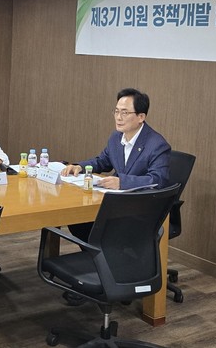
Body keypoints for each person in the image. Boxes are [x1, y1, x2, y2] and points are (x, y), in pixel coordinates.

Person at [61, 88, 171, 242]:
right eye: (116, 111)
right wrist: (79, 166)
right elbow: (103, 161)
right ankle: (101, 254)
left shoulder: (156, 144)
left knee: (88, 225)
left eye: (125, 113)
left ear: (141, 117)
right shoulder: (116, 137)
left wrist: (122, 182)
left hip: (139, 210)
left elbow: (159, 180)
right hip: (116, 205)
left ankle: (105, 254)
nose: (118, 117)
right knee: (77, 219)